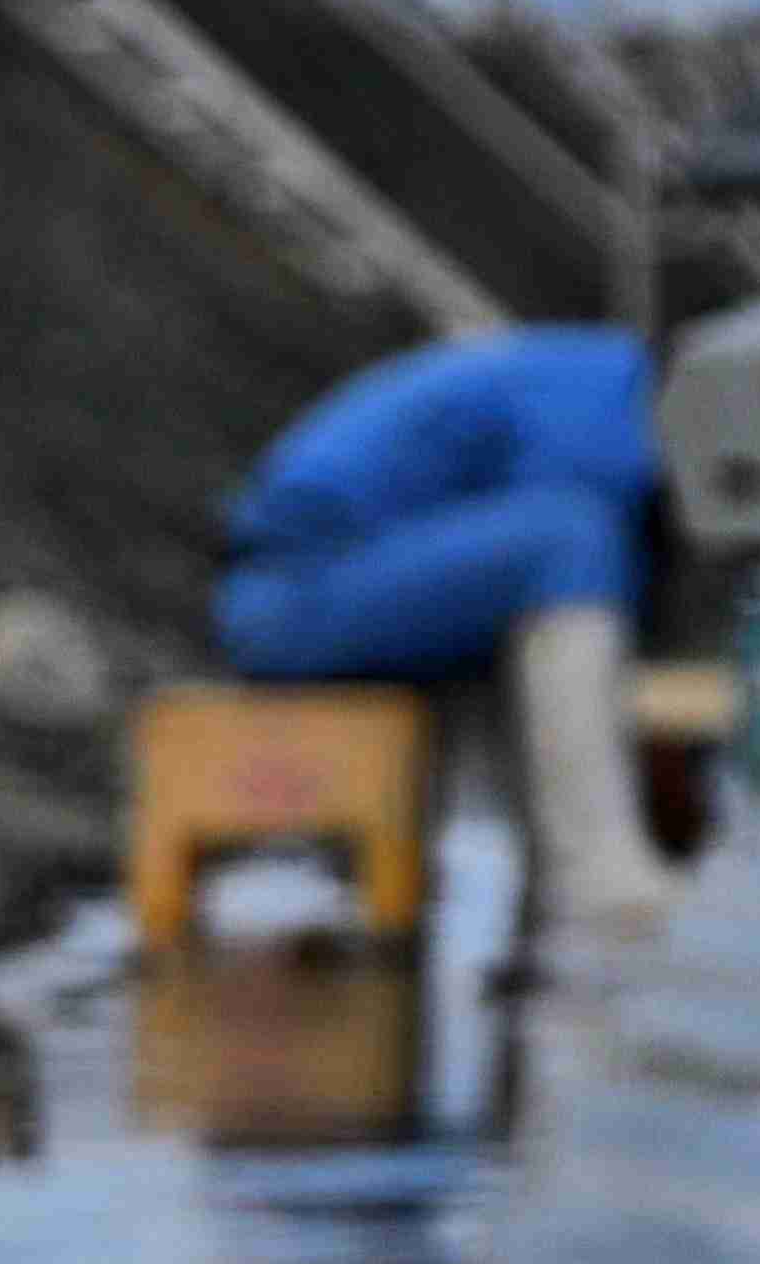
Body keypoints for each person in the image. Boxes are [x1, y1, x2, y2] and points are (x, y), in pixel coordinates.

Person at [213, 323, 685, 942]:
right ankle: (603, 878)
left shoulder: (595, 373)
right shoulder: (609, 404)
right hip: (293, 596)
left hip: (329, 584)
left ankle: (548, 893)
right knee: (572, 537)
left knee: (557, 560)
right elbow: (585, 590)